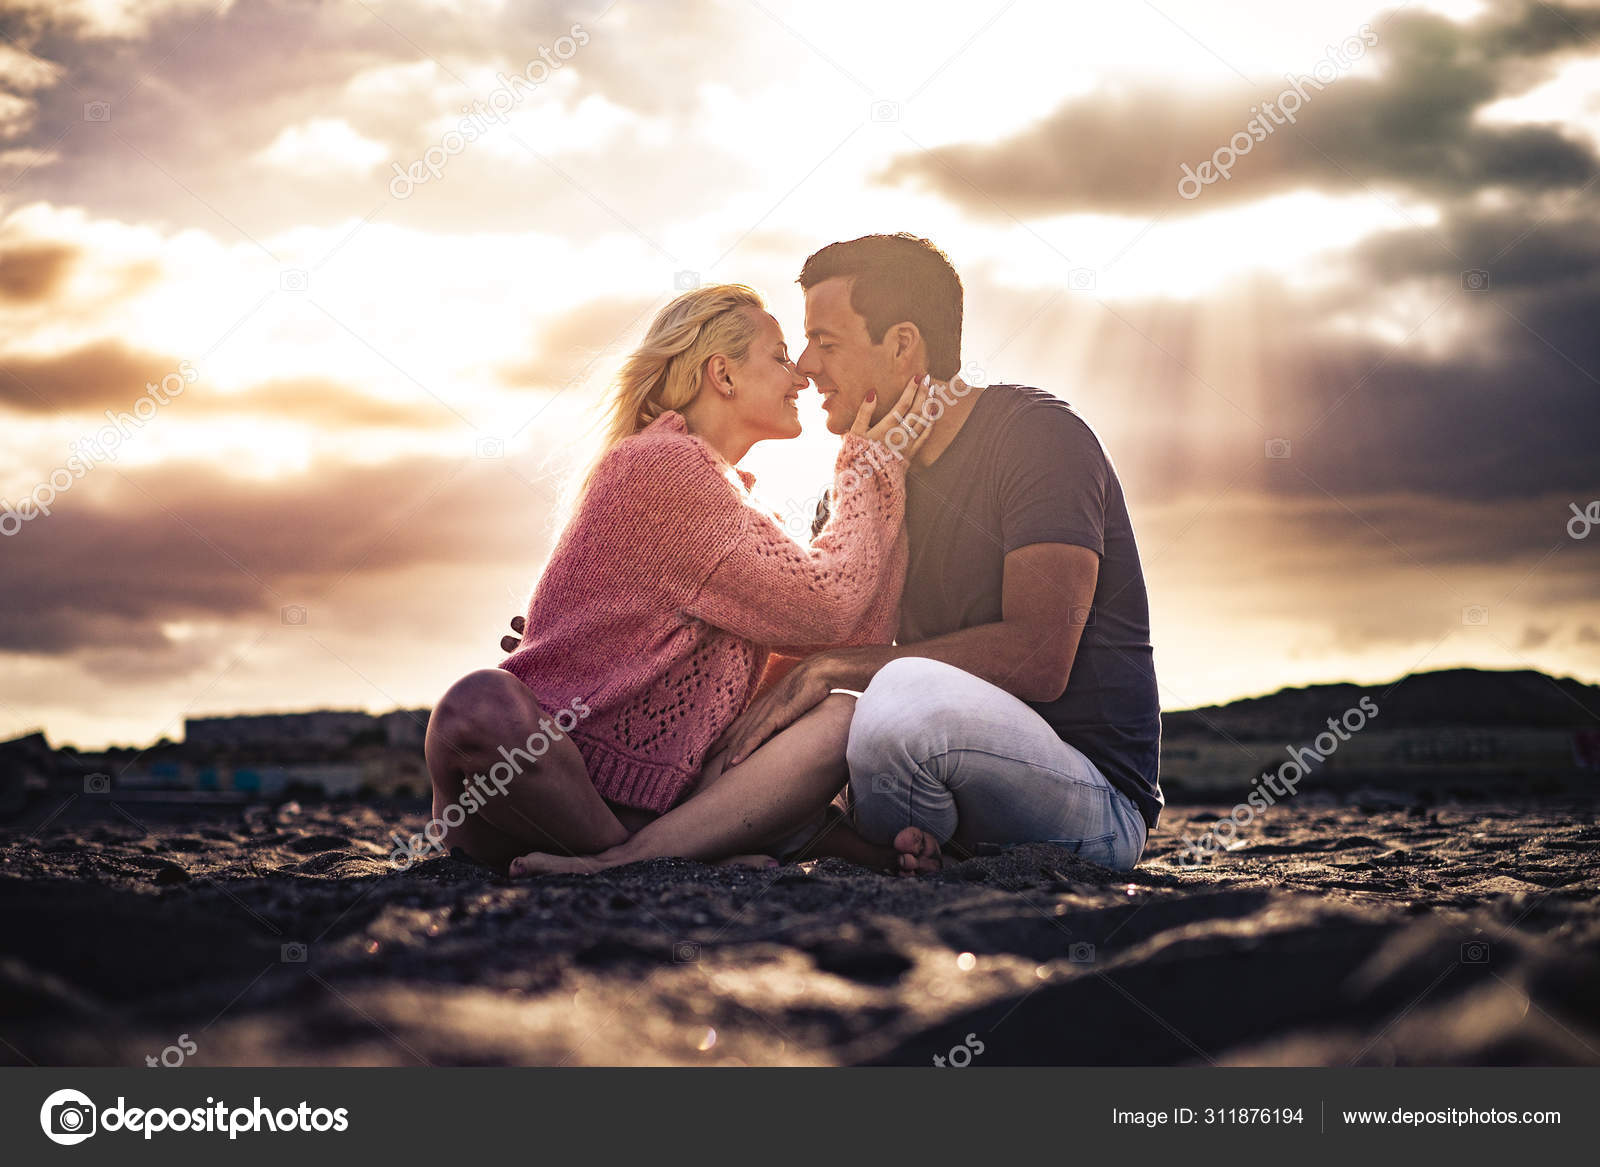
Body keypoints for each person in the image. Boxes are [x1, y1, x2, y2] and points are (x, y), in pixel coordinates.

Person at [422, 283, 932, 875]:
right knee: (479, 703)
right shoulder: (664, 467)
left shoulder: (731, 496)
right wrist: (868, 462)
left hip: (664, 800)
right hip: (547, 784)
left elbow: (847, 639)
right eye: (780, 356)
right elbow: (832, 606)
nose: (799, 378)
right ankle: (642, 860)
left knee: (844, 714)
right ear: (723, 374)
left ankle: (650, 853)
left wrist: (886, 483)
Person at [714, 234, 1163, 874]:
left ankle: (865, 847)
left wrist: (833, 669)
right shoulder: (858, 489)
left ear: (902, 345)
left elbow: (1041, 656)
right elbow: (789, 645)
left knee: (895, 700)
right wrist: (615, 640)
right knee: (798, 736)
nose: (805, 365)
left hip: (1090, 806)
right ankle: (901, 857)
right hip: (931, 785)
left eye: (826, 341)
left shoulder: (1037, 437)